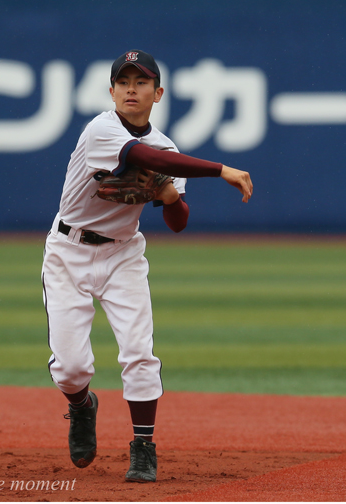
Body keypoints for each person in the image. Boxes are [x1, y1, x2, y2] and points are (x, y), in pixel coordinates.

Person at [41, 49, 253, 482]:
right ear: (112, 91)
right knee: (71, 368)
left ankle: (143, 447)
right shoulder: (101, 129)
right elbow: (149, 161)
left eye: (140, 83)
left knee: (140, 355)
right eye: (123, 82)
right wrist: (221, 170)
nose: (130, 90)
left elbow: (177, 223)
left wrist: (171, 197)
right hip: (69, 251)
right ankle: (82, 407)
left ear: (157, 93)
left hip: (123, 255)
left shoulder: (167, 147)